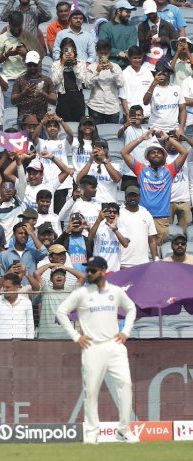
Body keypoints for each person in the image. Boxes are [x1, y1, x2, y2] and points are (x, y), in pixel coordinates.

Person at [56, 255, 138, 444]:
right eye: (88, 270)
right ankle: (92, 434)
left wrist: (125, 331)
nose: (89, 273)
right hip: (92, 347)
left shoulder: (116, 292)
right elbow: (61, 312)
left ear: (103, 271)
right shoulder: (81, 294)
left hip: (115, 345)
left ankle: (124, 431)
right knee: (91, 391)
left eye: (93, 270)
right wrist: (76, 336)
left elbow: (131, 308)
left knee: (126, 385)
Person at [121, 130, 188, 242]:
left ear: (164, 156)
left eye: (159, 152)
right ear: (147, 157)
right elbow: (124, 152)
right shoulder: (141, 169)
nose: (156, 154)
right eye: (152, 152)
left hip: (161, 219)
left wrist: (167, 138)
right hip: (142, 216)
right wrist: (141, 138)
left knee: (159, 254)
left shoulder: (170, 170)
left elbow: (184, 153)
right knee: (142, 251)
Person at [0, 273, 34, 339]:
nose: (4, 289)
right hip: (1, 344)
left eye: (8, 287)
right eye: (3, 286)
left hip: (21, 343)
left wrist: (29, 343)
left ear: (17, 287)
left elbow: (30, 326)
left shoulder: (26, 302)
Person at [12, 51, 57, 120]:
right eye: (30, 65)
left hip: (41, 117)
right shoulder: (20, 80)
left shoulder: (47, 79)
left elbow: (54, 100)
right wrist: (24, 92)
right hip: (24, 117)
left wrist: (42, 93)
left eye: (35, 65)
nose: (32, 67)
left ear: (39, 64)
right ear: (26, 65)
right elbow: (13, 101)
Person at [97, 0, 137, 70]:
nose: (129, 14)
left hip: (127, 66)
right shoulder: (106, 27)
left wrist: (126, 53)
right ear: (118, 11)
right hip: (108, 65)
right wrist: (118, 53)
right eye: (127, 11)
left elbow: (132, 47)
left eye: (130, 12)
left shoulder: (132, 28)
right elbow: (102, 47)